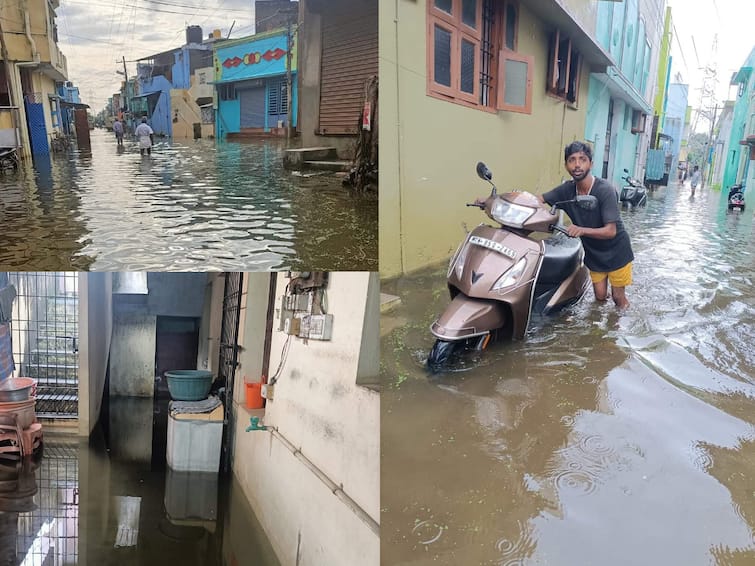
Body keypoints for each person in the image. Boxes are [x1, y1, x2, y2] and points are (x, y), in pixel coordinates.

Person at [538, 141, 634, 309]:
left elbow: (611, 231)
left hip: (617, 252)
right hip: (594, 254)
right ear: (566, 165)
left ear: (591, 163)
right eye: (572, 160)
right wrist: (501, 201)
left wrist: (581, 230)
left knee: (618, 299)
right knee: (599, 297)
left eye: (582, 159)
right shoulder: (566, 190)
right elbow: (539, 199)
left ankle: (618, 329)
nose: (577, 164)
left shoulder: (605, 190)